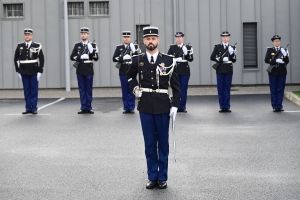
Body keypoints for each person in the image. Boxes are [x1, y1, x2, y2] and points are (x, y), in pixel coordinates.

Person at [127, 26, 181, 189]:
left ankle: (162, 176)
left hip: (163, 106)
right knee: (150, 143)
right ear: (144, 41)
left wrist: (176, 105)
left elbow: (176, 86)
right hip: (145, 107)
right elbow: (129, 76)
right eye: (148, 39)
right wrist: (135, 88)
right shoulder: (137, 60)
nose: (151, 41)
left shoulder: (168, 60)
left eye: (153, 39)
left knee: (163, 143)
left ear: (158, 40)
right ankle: (152, 176)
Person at [14, 28, 45, 114]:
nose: (27, 36)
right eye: (26, 35)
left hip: (34, 71)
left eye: (28, 35)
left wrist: (40, 71)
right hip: (23, 71)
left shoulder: (37, 46)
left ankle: (34, 107)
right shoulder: (20, 46)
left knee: (34, 90)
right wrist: (18, 71)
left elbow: (41, 59)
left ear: (32, 36)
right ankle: (28, 108)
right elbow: (16, 59)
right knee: (26, 90)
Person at [70, 27, 99, 114]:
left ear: (88, 35)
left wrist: (91, 51)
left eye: (85, 33)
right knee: (82, 89)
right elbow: (72, 56)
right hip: (80, 68)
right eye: (82, 33)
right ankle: (83, 107)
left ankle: (89, 107)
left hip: (89, 68)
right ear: (80, 35)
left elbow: (96, 58)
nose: (83, 35)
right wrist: (80, 57)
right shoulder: (77, 45)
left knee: (88, 89)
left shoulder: (93, 45)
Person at [112, 31, 139, 114]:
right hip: (123, 70)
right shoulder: (119, 47)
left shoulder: (135, 46)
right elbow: (114, 58)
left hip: (132, 70)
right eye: (125, 37)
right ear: (122, 38)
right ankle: (126, 107)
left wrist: (134, 51)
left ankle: (131, 107)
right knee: (124, 90)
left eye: (128, 37)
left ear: (130, 38)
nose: (126, 38)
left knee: (131, 89)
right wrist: (122, 58)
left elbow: (138, 58)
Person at [210, 31, 236, 112]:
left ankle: (227, 106)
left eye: (227, 37)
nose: (225, 38)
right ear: (222, 37)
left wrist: (232, 54)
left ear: (229, 38)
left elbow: (234, 60)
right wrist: (221, 59)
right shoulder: (217, 47)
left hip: (228, 69)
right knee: (220, 88)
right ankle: (222, 106)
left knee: (227, 88)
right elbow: (212, 57)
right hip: (220, 69)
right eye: (224, 37)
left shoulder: (232, 47)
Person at [167, 32, 193, 113]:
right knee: (175, 88)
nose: (179, 39)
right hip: (175, 71)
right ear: (176, 38)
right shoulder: (172, 48)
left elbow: (191, 59)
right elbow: (168, 58)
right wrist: (174, 59)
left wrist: (186, 53)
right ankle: (176, 106)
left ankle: (182, 106)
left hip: (185, 71)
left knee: (183, 89)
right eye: (177, 37)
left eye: (180, 37)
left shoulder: (188, 47)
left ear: (183, 38)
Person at [264, 35, 289, 112]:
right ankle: (274, 106)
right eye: (275, 41)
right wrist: (275, 61)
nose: (277, 42)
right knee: (274, 89)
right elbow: (266, 60)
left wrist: (285, 56)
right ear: (273, 42)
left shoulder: (284, 50)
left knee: (280, 89)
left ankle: (280, 105)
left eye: (278, 41)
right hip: (273, 72)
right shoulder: (269, 50)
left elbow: (287, 61)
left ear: (280, 42)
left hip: (282, 71)